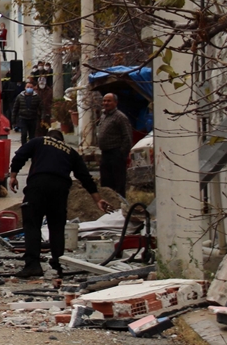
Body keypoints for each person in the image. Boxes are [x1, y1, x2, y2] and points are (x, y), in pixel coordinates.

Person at [9, 129, 115, 278]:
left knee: (32, 224)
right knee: (57, 226)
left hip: (38, 185)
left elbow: (20, 156)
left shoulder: (38, 141)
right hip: (60, 189)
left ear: (48, 137)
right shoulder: (70, 152)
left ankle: (33, 265)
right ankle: (58, 264)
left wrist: (13, 175)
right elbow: (85, 177)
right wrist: (97, 199)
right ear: (62, 141)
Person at [96, 92, 134, 197]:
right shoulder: (104, 115)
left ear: (115, 103)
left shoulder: (120, 117)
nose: (106, 103)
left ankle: (120, 204)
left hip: (116, 153)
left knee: (118, 182)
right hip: (105, 154)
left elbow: (127, 136)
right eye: (104, 101)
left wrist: (121, 154)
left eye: (109, 101)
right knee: (106, 181)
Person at [11, 80, 43, 146]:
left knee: (32, 136)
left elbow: (42, 108)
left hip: (33, 118)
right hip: (23, 118)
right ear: (25, 88)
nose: (29, 88)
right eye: (28, 87)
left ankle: (31, 148)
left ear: (33, 88)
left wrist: (42, 118)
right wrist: (13, 120)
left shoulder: (36, 97)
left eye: (31, 87)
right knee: (24, 134)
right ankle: (24, 147)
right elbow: (15, 108)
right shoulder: (20, 97)